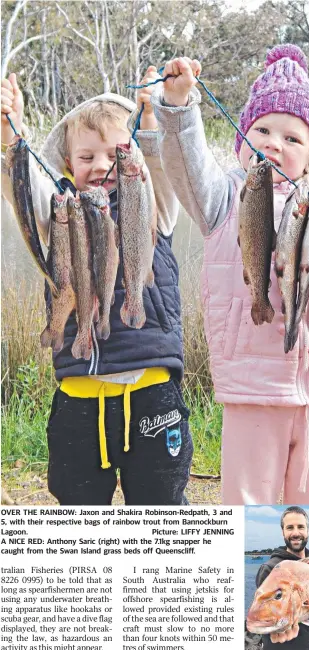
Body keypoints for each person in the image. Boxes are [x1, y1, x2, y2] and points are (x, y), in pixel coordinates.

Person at [150, 44, 309, 505]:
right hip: (251, 390)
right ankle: (248, 578)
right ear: (242, 142)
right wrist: (179, 109)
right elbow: (187, 165)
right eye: (261, 130)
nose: (273, 143)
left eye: (292, 138)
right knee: (248, 511)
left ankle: (308, 577)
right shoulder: (224, 198)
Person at [1, 68, 193, 506]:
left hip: (152, 392)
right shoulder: (59, 216)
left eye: (115, 153)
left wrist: (149, 116)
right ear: (67, 163)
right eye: (86, 157)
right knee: (78, 513)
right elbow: (23, 190)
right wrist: (11, 135)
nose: (102, 166)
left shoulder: (152, 204)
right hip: (78, 398)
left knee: (163, 513)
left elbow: (160, 165)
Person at [254, 506, 309, 648]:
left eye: (300, 527)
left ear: (308, 531)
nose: (295, 533)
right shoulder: (269, 569)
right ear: (283, 532)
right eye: (289, 528)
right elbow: (264, 613)